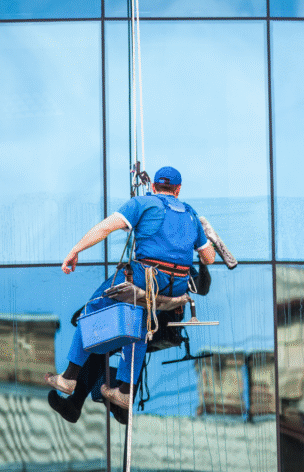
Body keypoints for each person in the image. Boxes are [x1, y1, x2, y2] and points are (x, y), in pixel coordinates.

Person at [45, 166, 216, 411]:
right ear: (178, 190)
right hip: (174, 290)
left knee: (92, 309)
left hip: (145, 280)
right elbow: (208, 258)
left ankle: (69, 377)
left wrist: (75, 251)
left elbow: (104, 228)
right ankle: (125, 391)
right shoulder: (191, 214)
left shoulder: (142, 204)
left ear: (154, 187)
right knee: (140, 326)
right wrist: (208, 237)